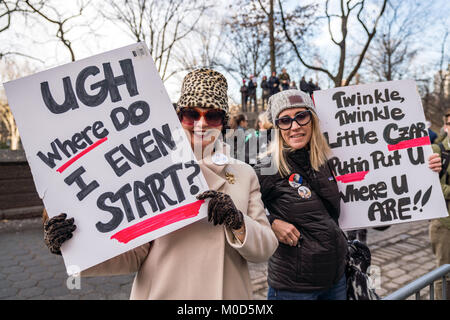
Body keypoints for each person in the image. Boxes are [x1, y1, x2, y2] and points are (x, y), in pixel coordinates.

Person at [42, 68, 278, 300]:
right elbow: (135, 253)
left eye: (212, 115)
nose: (201, 123)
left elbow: (265, 248)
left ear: (223, 122)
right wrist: (72, 248)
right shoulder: (148, 168)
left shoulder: (244, 173)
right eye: (191, 114)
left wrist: (238, 222)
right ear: (178, 117)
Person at [253, 89, 442, 300]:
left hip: (337, 280)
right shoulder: (267, 167)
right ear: (277, 127)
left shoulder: (330, 161)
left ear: (312, 120)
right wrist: (271, 222)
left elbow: (375, 207)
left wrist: (425, 169)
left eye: (301, 116)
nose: (294, 126)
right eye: (285, 120)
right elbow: (240, 209)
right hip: (294, 288)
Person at [430, 112, 450, 299]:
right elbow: (429, 185)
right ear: (445, 127)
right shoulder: (437, 150)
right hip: (444, 224)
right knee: (443, 275)